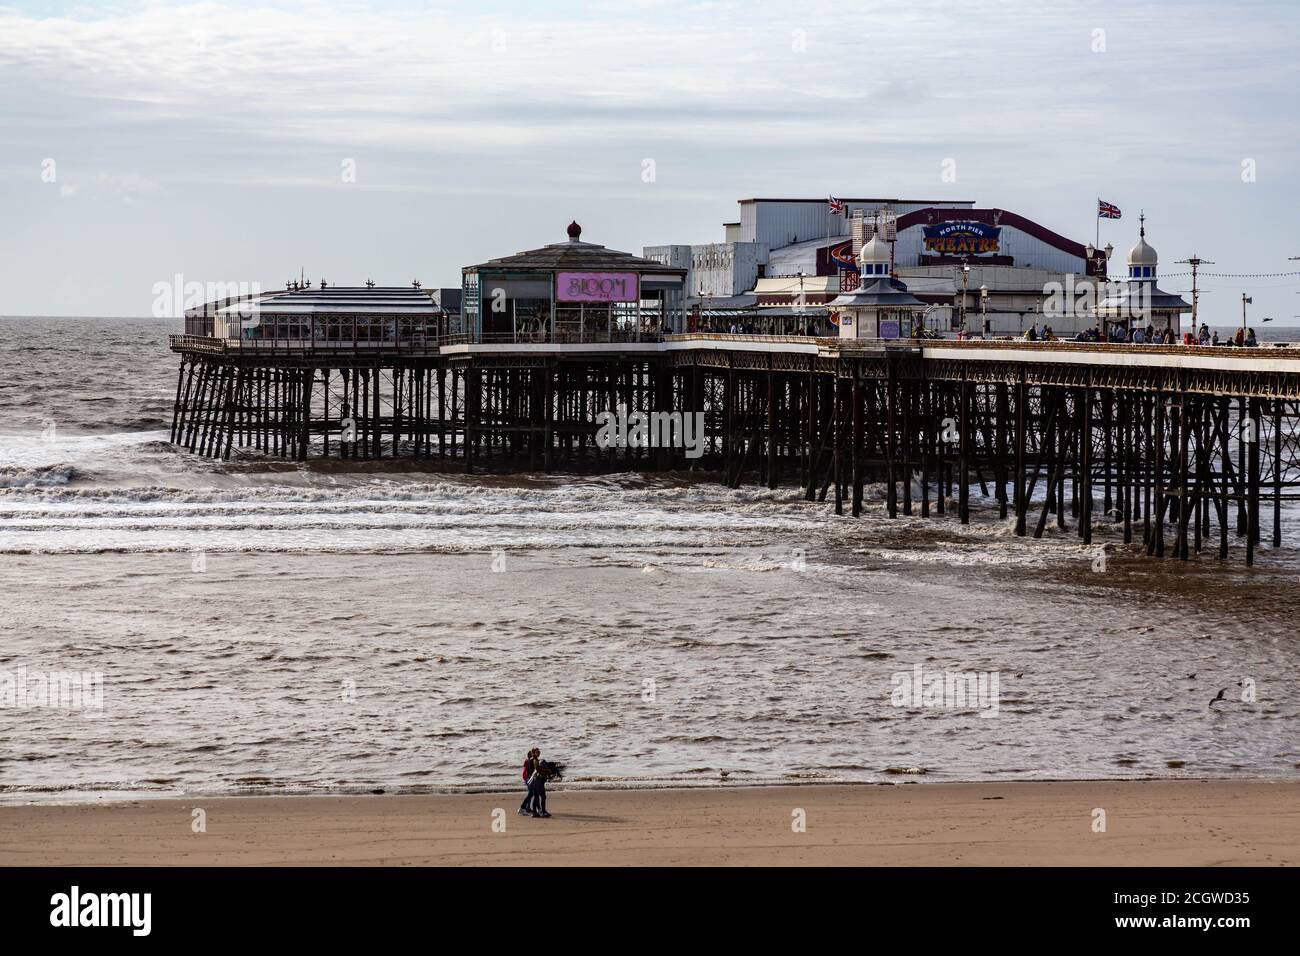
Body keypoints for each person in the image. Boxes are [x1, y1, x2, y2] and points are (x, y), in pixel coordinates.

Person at [518, 748, 539, 815]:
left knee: (531, 793)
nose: (538, 753)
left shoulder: (530, 760)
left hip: (528, 778)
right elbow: (529, 771)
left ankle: (526, 808)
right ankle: (522, 808)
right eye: (537, 752)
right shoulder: (530, 761)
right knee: (531, 794)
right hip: (528, 778)